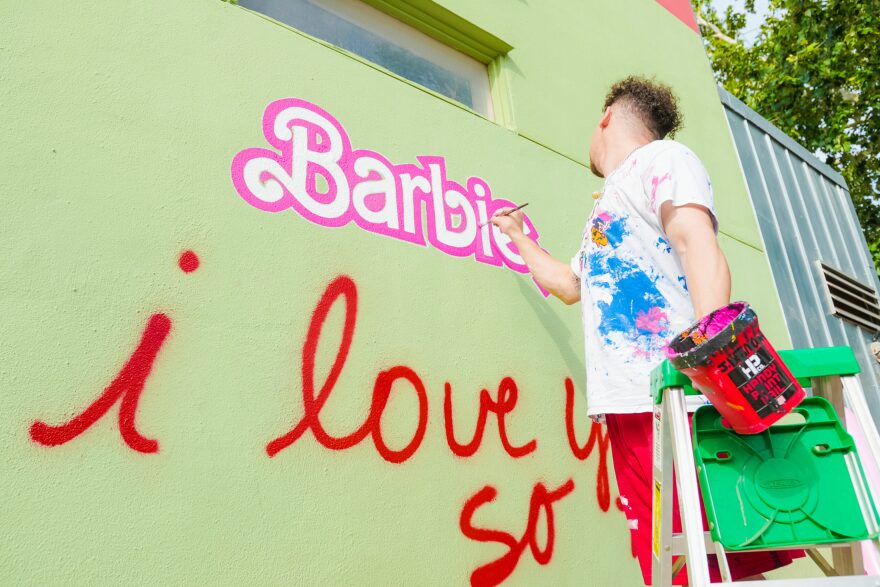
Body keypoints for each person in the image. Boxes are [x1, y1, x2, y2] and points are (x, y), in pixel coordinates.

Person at [490, 76, 799, 584]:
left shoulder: (662, 159)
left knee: (716, 560)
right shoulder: (608, 206)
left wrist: (713, 359)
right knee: (686, 566)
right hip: (630, 405)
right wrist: (519, 237)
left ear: (607, 116)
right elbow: (570, 286)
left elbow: (696, 240)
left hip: (680, 397)